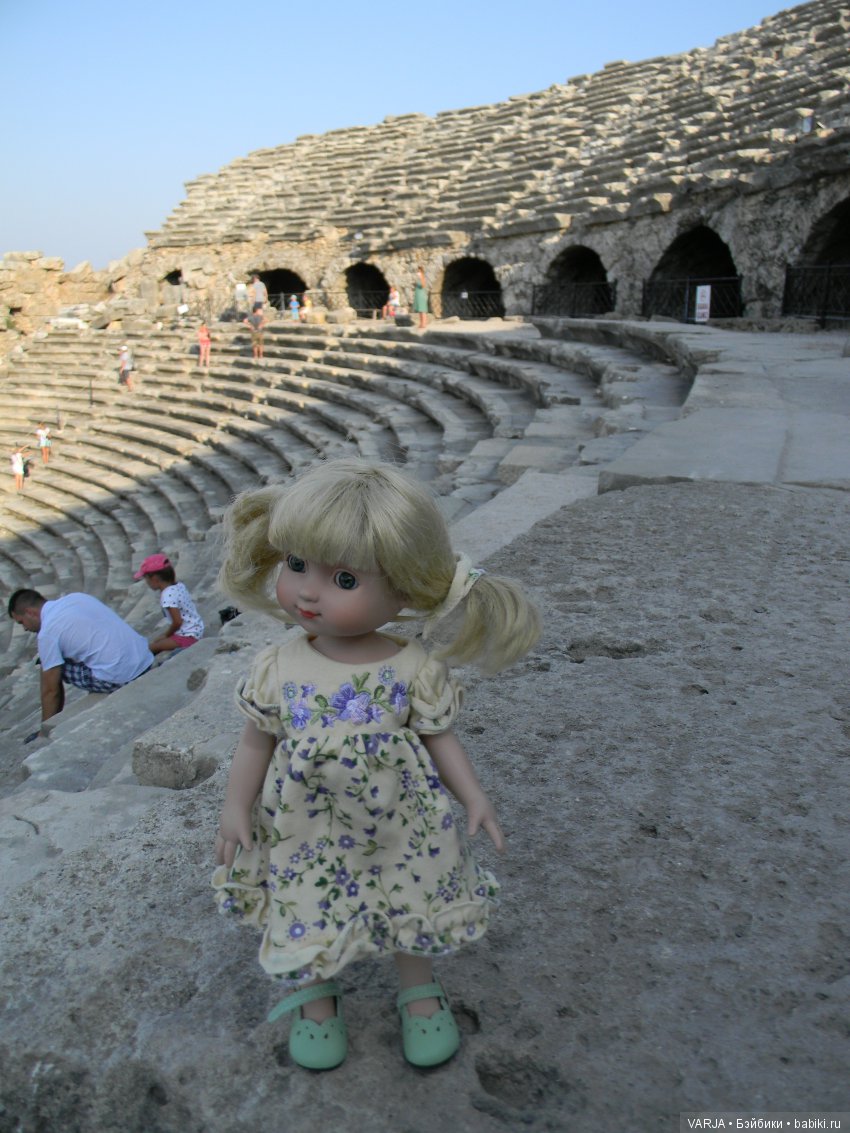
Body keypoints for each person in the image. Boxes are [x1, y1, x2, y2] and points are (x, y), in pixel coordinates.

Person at [212, 459, 540, 1071]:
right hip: (303, 823)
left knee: (409, 892)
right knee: (305, 900)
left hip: (398, 816)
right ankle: (316, 997)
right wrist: (236, 805)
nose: (307, 591)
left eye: (343, 579)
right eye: (296, 564)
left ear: (405, 589)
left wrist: (473, 796)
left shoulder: (413, 666)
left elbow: (439, 737)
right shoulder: (278, 667)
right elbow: (257, 741)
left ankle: (418, 990)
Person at [7, 589, 153, 733]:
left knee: (48, 664)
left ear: (30, 612)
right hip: (145, 658)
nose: (24, 628)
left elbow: (51, 691)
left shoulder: (47, 633)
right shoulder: (77, 597)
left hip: (121, 677)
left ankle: (49, 726)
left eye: (22, 622)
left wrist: (43, 734)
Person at [134, 554, 205, 654]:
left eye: (146, 579)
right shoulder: (178, 585)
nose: (147, 582)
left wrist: (166, 635)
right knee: (158, 643)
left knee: (153, 647)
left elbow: (177, 622)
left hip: (188, 636)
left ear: (155, 579)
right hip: (196, 629)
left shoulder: (168, 596)